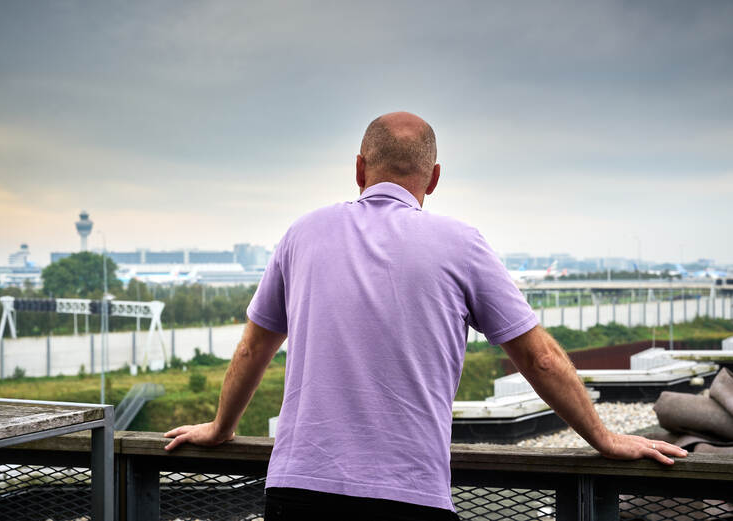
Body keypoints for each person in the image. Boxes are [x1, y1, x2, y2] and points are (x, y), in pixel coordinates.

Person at [164, 112, 687, 520]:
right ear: (434, 178)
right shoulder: (461, 244)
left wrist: (221, 428)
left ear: (359, 169)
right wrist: (604, 438)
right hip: (408, 496)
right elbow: (540, 359)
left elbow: (254, 347)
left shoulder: (302, 234)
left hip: (298, 491)